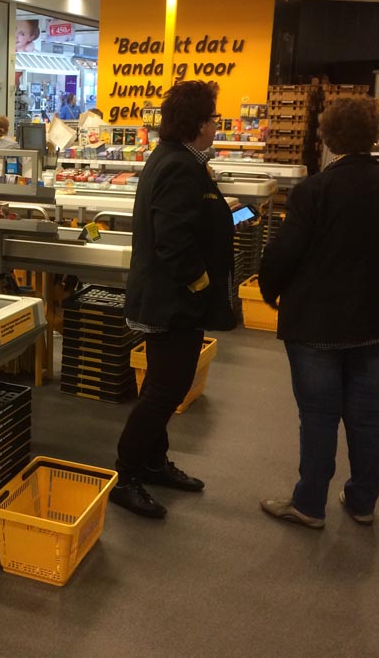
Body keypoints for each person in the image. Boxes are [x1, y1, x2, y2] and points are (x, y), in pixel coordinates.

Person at [258, 97, 379, 529]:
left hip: (316, 325)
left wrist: (271, 292)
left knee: (318, 416)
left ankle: (309, 506)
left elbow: (283, 253)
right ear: (373, 136)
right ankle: (362, 502)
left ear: (327, 138)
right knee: (368, 414)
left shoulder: (313, 192)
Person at [111, 80, 236, 519]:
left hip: (168, 298)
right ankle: (125, 476)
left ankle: (153, 462)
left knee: (161, 384)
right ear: (199, 124)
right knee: (167, 389)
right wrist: (200, 283)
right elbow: (173, 240)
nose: (217, 126)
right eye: (214, 119)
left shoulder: (175, 159)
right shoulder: (180, 166)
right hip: (172, 301)